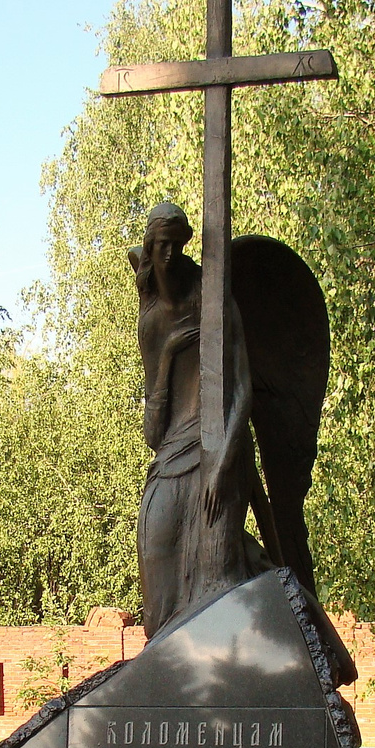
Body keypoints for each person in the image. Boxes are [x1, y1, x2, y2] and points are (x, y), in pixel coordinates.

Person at [128, 201, 258, 635]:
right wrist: (167, 355)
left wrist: (222, 466)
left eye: (176, 245)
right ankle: (167, 665)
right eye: (161, 245)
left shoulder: (213, 297)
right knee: (155, 563)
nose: (168, 254)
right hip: (172, 455)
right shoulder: (152, 321)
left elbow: (243, 390)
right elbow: (152, 434)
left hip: (220, 453)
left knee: (217, 575)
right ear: (149, 248)